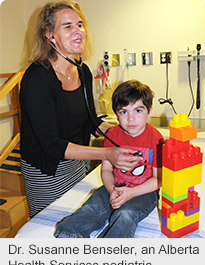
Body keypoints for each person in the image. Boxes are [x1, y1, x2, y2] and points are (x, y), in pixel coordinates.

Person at [20, 1, 141, 218]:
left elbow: (91, 120)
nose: (78, 31)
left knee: (79, 216)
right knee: (52, 225)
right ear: (49, 34)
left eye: (80, 24)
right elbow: (51, 144)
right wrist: (107, 153)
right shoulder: (37, 78)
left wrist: (128, 132)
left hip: (75, 163)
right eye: (68, 26)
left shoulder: (83, 71)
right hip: (45, 170)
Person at [54, 79, 165, 238]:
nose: (131, 118)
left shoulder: (157, 140)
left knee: (125, 215)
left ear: (149, 111)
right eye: (124, 112)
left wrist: (132, 192)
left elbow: (159, 179)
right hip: (114, 185)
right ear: (116, 114)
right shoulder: (112, 135)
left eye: (138, 111)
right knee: (92, 208)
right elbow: (106, 169)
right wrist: (112, 189)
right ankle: (68, 234)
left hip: (144, 191)